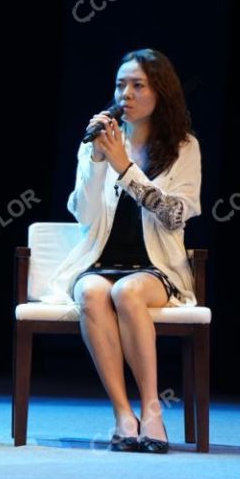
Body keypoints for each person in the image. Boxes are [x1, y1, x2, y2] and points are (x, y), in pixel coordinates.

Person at [45, 48, 202, 453]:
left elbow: (173, 215)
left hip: (156, 268)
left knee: (127, 291)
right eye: (120, 85)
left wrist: (125, 169)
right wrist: (98, 160)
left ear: (160, 93)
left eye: (137, 85)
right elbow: (84, 213)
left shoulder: (184, 148)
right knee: (91, 292)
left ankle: (152, 411)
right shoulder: (100, 143)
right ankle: (123, 415)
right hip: (100, 261)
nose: (126, 94)